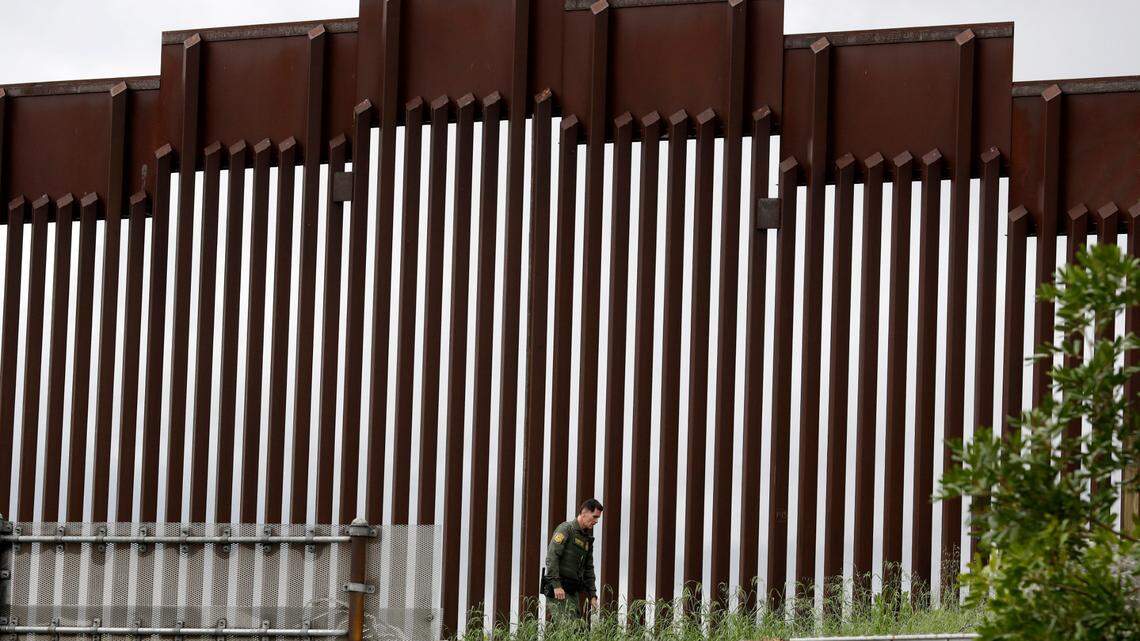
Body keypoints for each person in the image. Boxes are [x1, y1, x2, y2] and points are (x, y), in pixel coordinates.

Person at [542, 499, 603, 620]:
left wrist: (592, 595)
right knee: (569, 628)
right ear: (584, 513)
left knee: (576, 629)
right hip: (558, 590)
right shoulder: (566, 529)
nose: (596, 521)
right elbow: (552, 556)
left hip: (571, 591)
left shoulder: (586, 540)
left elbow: (588, 569)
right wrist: (556, 585)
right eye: (595, 517)